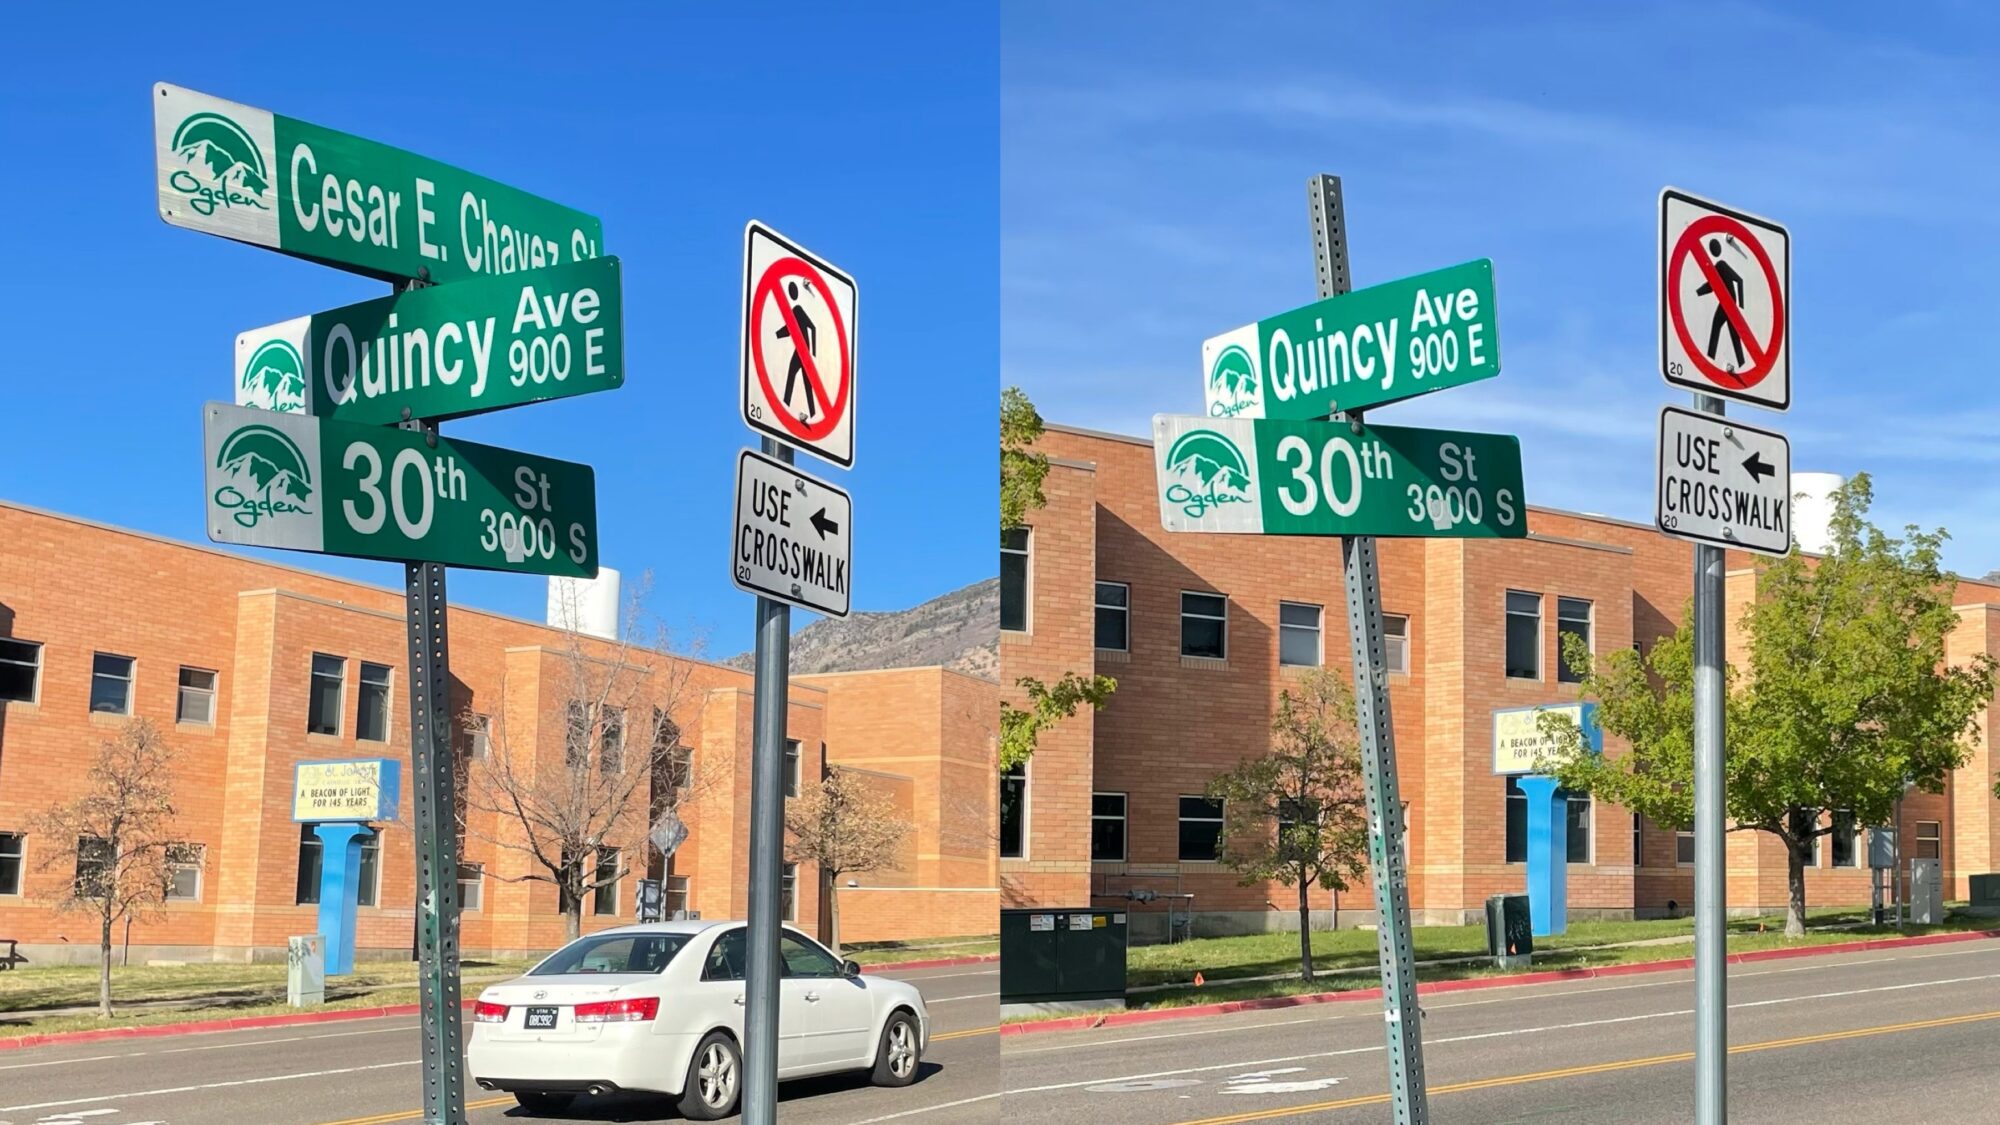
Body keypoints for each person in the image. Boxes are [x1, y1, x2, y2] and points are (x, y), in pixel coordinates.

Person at [1694, 237, 1746, 369]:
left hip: (1729, 303)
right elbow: (1711, 286)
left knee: (1717, 326)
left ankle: (1711, 357)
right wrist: (1696, 292)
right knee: (1733, 334)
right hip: (1727, 304)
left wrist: (1741, 304)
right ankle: (1741, 362)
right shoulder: (1716, 268)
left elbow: (1740, 280)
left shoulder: (1721, 265)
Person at [774, 279, 819, 421]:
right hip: (802, 350)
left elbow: (813, 327)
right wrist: (776, 334)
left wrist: (814, 351)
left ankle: (786, 403)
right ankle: (811, 412)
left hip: (803, 350)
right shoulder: (794, 311)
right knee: (806, 382)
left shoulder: (798, 310)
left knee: (793, 373)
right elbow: (788, 329)